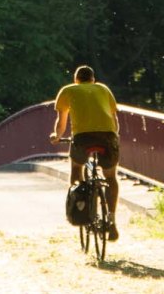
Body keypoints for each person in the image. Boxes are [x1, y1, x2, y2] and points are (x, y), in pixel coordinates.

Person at [49, 65, 120, 240]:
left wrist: (57, 136)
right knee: (110, 178)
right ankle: (111, 220)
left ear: (76, 80)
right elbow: (114, 120)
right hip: (107, 136)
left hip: (83, 138)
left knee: (76, 169)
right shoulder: (103, 89)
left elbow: (61, 122)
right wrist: (114, 137)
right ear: (93, 79)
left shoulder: (68, 90)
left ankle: (80, 202)